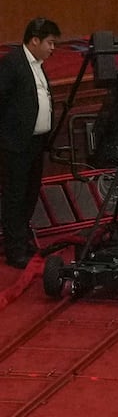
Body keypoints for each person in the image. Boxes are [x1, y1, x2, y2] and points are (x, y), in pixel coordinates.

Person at [0, 17, 59, 268]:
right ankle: (14, 249)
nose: (53, 48)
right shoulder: (13, 63)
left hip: (35, 144)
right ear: (34, 40)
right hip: (16, 145)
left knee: (30, 194)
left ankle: (22, 240)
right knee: (14, 197)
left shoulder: (39, 64)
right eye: (50, 42)